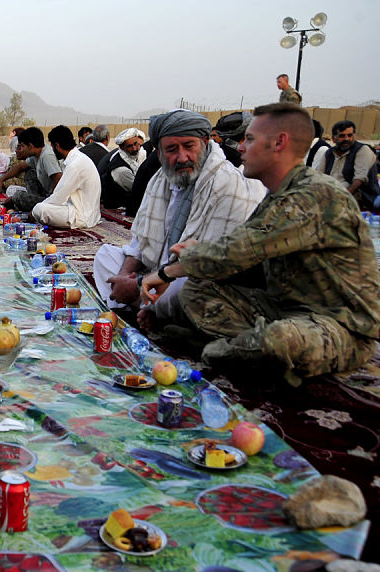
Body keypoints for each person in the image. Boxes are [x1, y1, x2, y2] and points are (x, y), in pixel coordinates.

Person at [142, 102, 380, 385]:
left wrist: (167, 273)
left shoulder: (314, 195)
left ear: (278, 143)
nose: (240, 148)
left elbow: (239, 250)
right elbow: (245, 258)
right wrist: (194, 263)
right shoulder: (278, 195)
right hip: (281, 307)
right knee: (195, 291)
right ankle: (247, 348)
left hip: (339, 324)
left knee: (279, 341)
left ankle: (214, 350)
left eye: (250, 140)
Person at [93, 110, 266, 326]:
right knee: (105, 256)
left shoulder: (228, 184)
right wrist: (124, 275)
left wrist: (139, 283)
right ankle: (147, 305)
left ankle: (142, 304)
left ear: (204, 142)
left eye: (189, 146)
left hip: (189, 275)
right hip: (157, 272)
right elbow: (139, 242)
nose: (182, 157)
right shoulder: (161, 179)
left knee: (185, 289)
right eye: (172, 149)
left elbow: (210, 264)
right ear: (160, 152)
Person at [30, 126, 102, 228]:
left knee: (39, 209)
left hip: (82, 217)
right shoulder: (77, 158)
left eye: (52, 146)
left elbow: (58, 198)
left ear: (57, 146)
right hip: (87, 212)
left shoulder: (75, 164)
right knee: (44, 205)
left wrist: (33, 212)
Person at [0, 127, 63, 212]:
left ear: (30, 146)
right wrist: (1, 180)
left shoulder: (47, 156)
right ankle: (33, 204)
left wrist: (48, 205)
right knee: (30, 173)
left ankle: (36, 208)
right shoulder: (36, 154)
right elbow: (20, 167)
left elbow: (59, 180)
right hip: (45, 195)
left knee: (18, 196)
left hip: (53, 201)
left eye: (23, 146)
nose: (22, 150)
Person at [311, 120, 379, 208]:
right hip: (331, 197)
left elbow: (359, 180)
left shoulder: (362, 150)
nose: (347, 139)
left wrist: (340, 198)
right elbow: (319, 178)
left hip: (357, 199)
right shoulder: (328, 154)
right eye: (342, 136)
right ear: (333, 139)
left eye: (350, 135)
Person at [98, 127, 146, 208]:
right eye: (130, 146)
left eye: (136, 144)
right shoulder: (121, 169)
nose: (134, 148)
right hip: (119, 206)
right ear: (121, 147)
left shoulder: (129, 157)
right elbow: (138, 190)